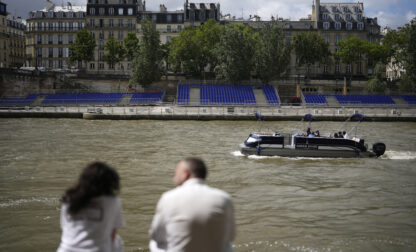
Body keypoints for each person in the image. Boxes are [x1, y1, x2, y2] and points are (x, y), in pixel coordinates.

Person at [149, 158, 236, 252]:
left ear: (185, 174)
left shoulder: (168, 197)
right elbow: (231, 235)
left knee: (154, 243)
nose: (174, 177)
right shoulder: (224, 198)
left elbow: (156, 235)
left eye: (176, 173)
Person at [57, 162, 125, 252]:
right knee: (117, 240)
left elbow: (65, 227)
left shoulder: (69, 198)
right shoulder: (112, 201)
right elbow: (113, 233)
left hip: (66, 249)